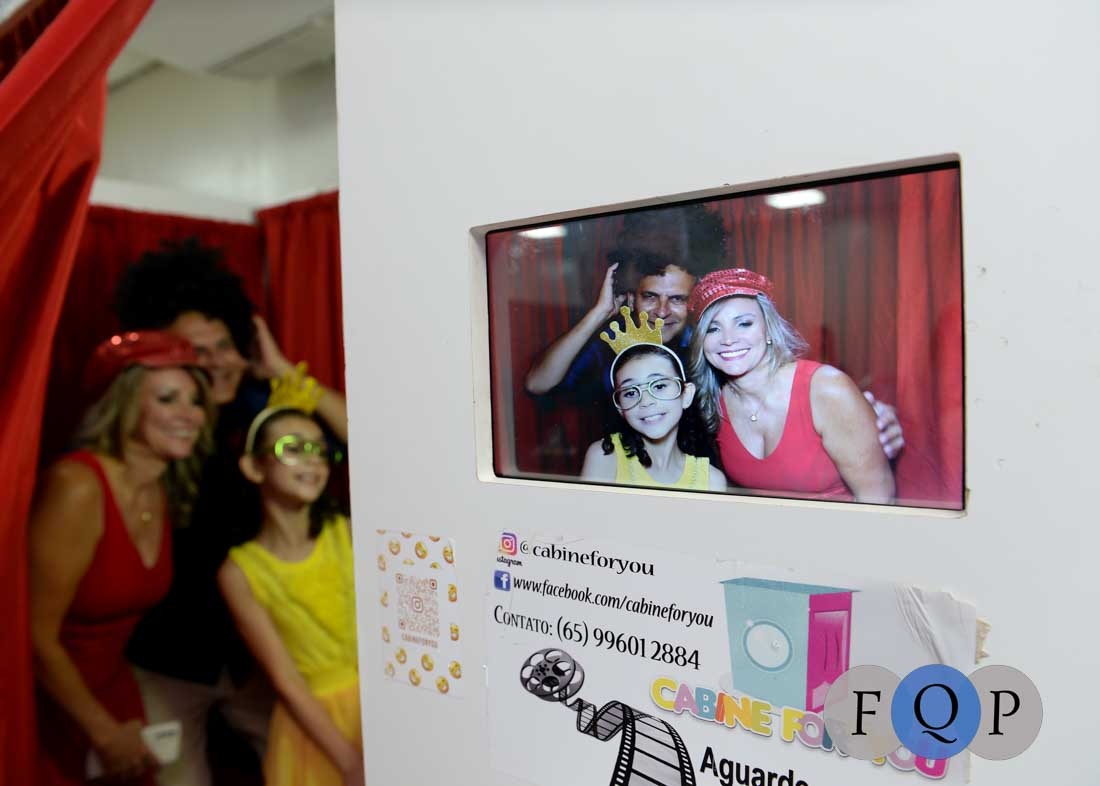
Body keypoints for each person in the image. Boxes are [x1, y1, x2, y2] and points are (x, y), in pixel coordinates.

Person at [115, 238, 349, 786]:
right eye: (197, 350)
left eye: (225, 345)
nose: (217, 360)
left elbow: (363, 441)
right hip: (171, 658)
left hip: (260, 661)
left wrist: (281, 369)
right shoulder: (155, 428)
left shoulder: (266, 414)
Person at [29, 331, 214, 784]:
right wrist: (103, 731)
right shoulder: (77, 486)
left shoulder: (157, 486)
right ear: (124, 405)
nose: (189, 414)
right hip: (52, 706)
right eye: (167, 399)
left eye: (195, 401)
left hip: (114, 696)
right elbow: (32, 634)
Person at [218, 394, 361, 786]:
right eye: (293, 448)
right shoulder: (241, 571)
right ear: (254, 466)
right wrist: (349, 761)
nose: (312, 460)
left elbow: (381, 460)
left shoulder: (347, 534)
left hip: (376, 708)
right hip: (316, 730)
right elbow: (286, 680)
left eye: (319, 449)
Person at [687, 268, 895, 503]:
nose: (728, 339)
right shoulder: (712, 403)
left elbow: (879, 499)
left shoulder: (826, 389)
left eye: (744, 324)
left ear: (768, 329)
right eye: (713, 328)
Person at [581, 307, 725, 491]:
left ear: (686, 395)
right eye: (630, 392)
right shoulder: (605, 458)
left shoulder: (711, 480)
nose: (646, 401)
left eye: (659, 386)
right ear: (620, 408)